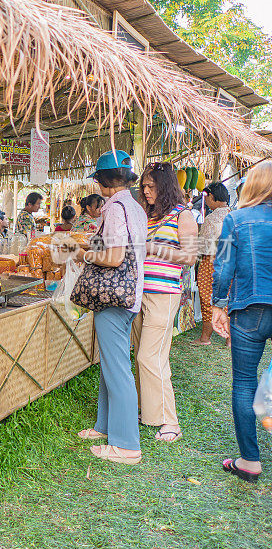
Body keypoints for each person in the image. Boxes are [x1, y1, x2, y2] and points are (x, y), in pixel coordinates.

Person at [74, 150, 147, 464]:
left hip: (114, 298)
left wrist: (82, 255)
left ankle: (127, 444)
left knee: (118, 370)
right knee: (111, 364)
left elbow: (115, 257)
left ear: (104, 179)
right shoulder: (134, 206)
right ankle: (105, 426)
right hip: (129, 296)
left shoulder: (115, 208)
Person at [212, 162, 272, 482]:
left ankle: (250, 461)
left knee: (244, 383)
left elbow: (223, 268)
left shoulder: (236, 219)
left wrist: (218, 307)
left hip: (248, 309)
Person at [132, 161, 198, 443]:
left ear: (166, 186)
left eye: (151, 186)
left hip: (163, 293)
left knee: (152, 357)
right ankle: (145, 410)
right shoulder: (148, 215)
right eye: (143, 186)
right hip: (136, 292)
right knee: (140, 354)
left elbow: (190, 256)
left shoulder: (183, 215)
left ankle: (170, 421)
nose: (145, 190)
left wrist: (153, 248)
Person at [195, 182, 231, 346]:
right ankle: (231, 340)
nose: (206, 201)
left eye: (206, 197)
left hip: (211, 262)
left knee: (207, 298)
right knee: (230, 300)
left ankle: (205, 338)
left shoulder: (212, 218)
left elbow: (204, 247)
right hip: (231, 263)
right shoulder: (234, 215)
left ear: (211, 196)